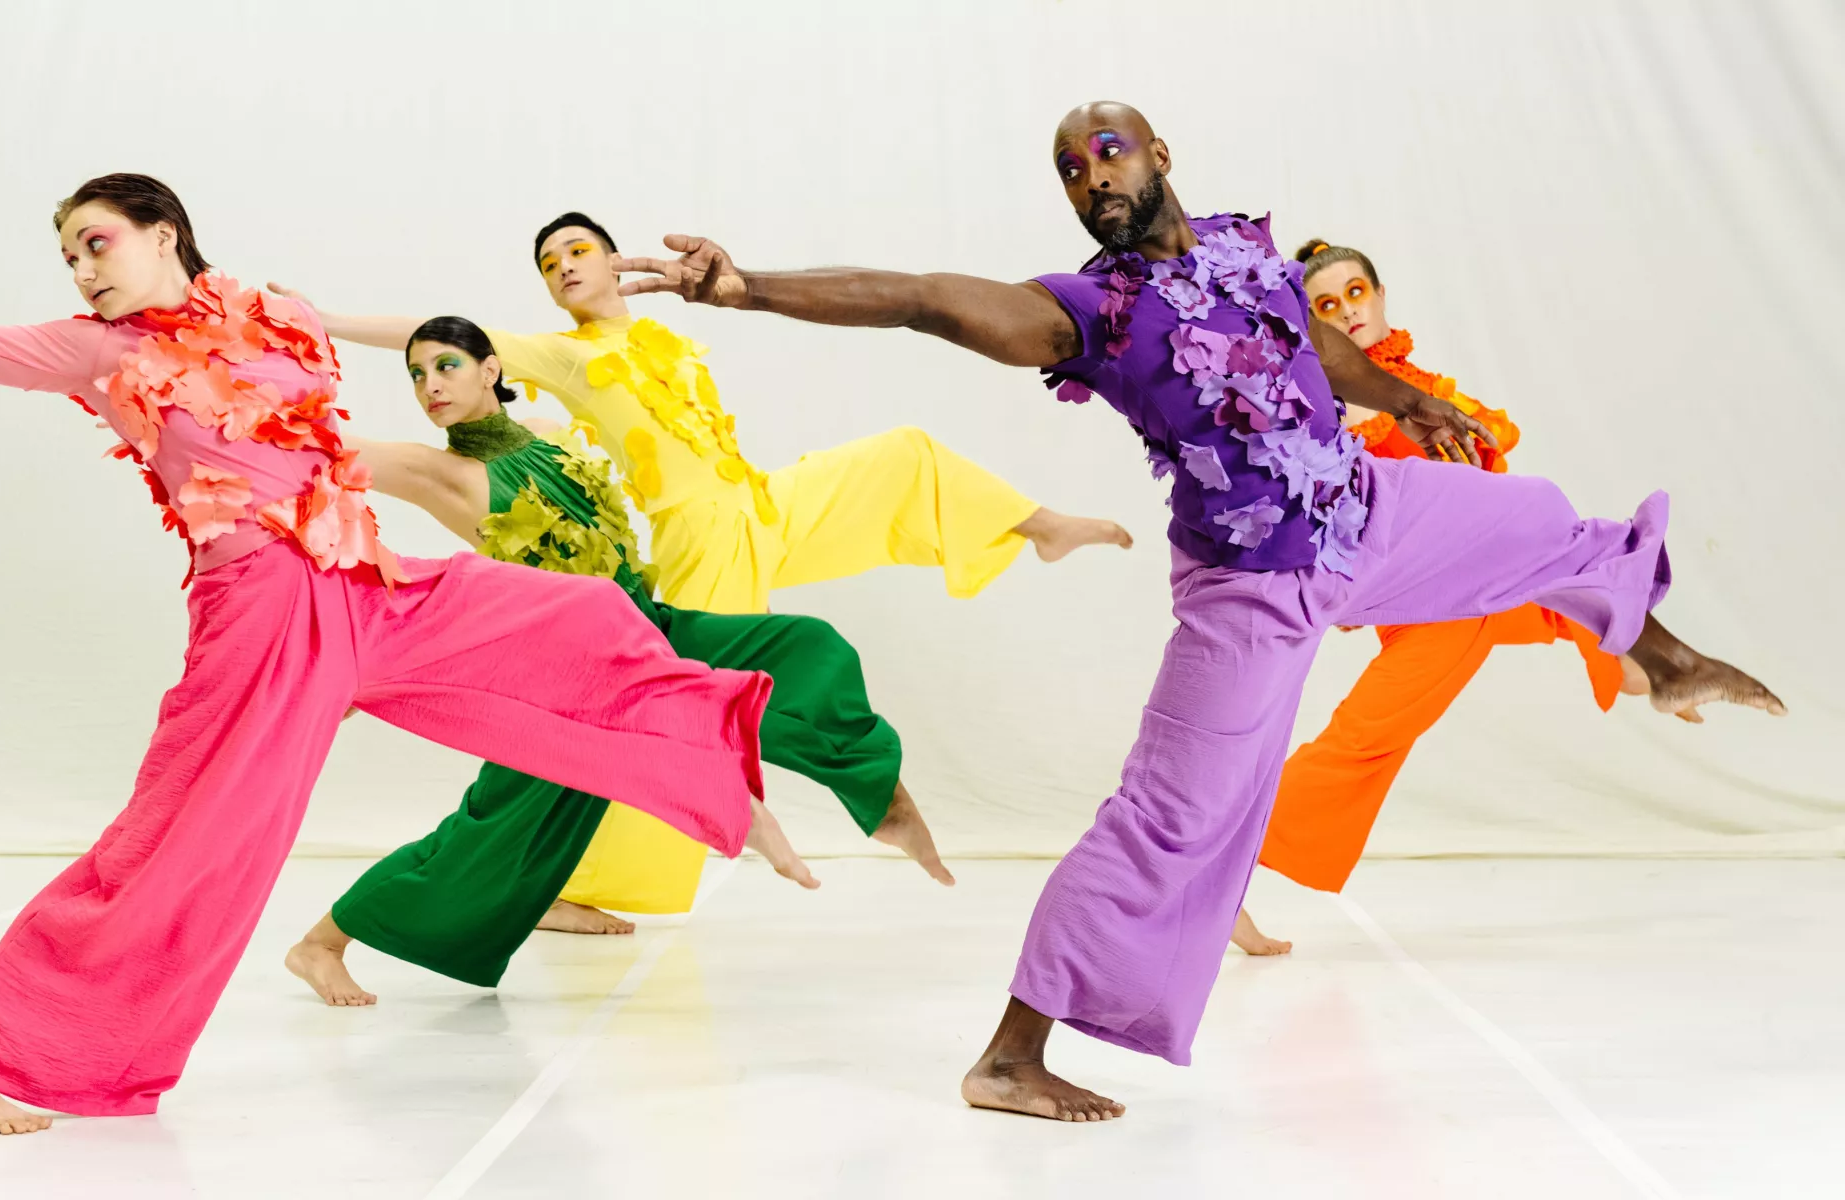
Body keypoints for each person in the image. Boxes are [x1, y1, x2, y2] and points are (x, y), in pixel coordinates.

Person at [607, 102, 1787, 1121]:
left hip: (1361, 510)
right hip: (1252, 584)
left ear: (1159, 152)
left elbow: (1315, 344)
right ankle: (1011, 1058)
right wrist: (751, 288)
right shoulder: (1088, 311)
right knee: (1171, 815)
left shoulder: (1243, 252)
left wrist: (1405, 398)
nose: (1092, 181)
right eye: (1070, 171)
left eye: (1107, 153)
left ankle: (1664, 659)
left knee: (1534, 518)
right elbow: (927, 300)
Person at [0, 176, 771, 1134]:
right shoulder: (97, 349)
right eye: (70, 257)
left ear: (165, 234)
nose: (83, 271)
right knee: (186, 844)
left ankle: (716, 752)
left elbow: (325, 452)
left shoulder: (273, 316)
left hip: (364, 584)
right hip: (257, 616)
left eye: (97, 243)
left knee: (575, 615)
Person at [270, 212, 1133, 920]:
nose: (564, 267)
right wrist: (331, 321)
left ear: (614, 262)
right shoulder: (566, 356)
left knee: (901, 456)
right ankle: (601, 873)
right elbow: (432, 335)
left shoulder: (665, 341)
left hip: (761, 505)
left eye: (577, 251)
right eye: (548, 263)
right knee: (688, 707)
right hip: (699, 539)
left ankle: (1038, 524)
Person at [284, 316, 953, 1005]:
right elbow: (323, 447)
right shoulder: (440, 470)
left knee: (805, 648)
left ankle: (877, 793)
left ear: (492, 368)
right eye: (417, 374)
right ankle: (320, 944)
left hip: (647, 629)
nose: (430, 386)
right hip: (566, 675)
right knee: (499, 822)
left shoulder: (547, 441)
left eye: (446, 365)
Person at [1228, 236, 1660, 957]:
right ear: (1313, 322)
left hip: (1472, 583)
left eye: (1356, 293)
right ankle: (1217, 879)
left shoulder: (1418, 381)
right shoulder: (1324, 398)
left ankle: (1643, 659)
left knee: (1576, 562)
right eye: (1326, 306)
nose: (1347, 312)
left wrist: (1433, 419)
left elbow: (1492, 453)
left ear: (1381, 294)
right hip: (1421, 603)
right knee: (1363, 741)